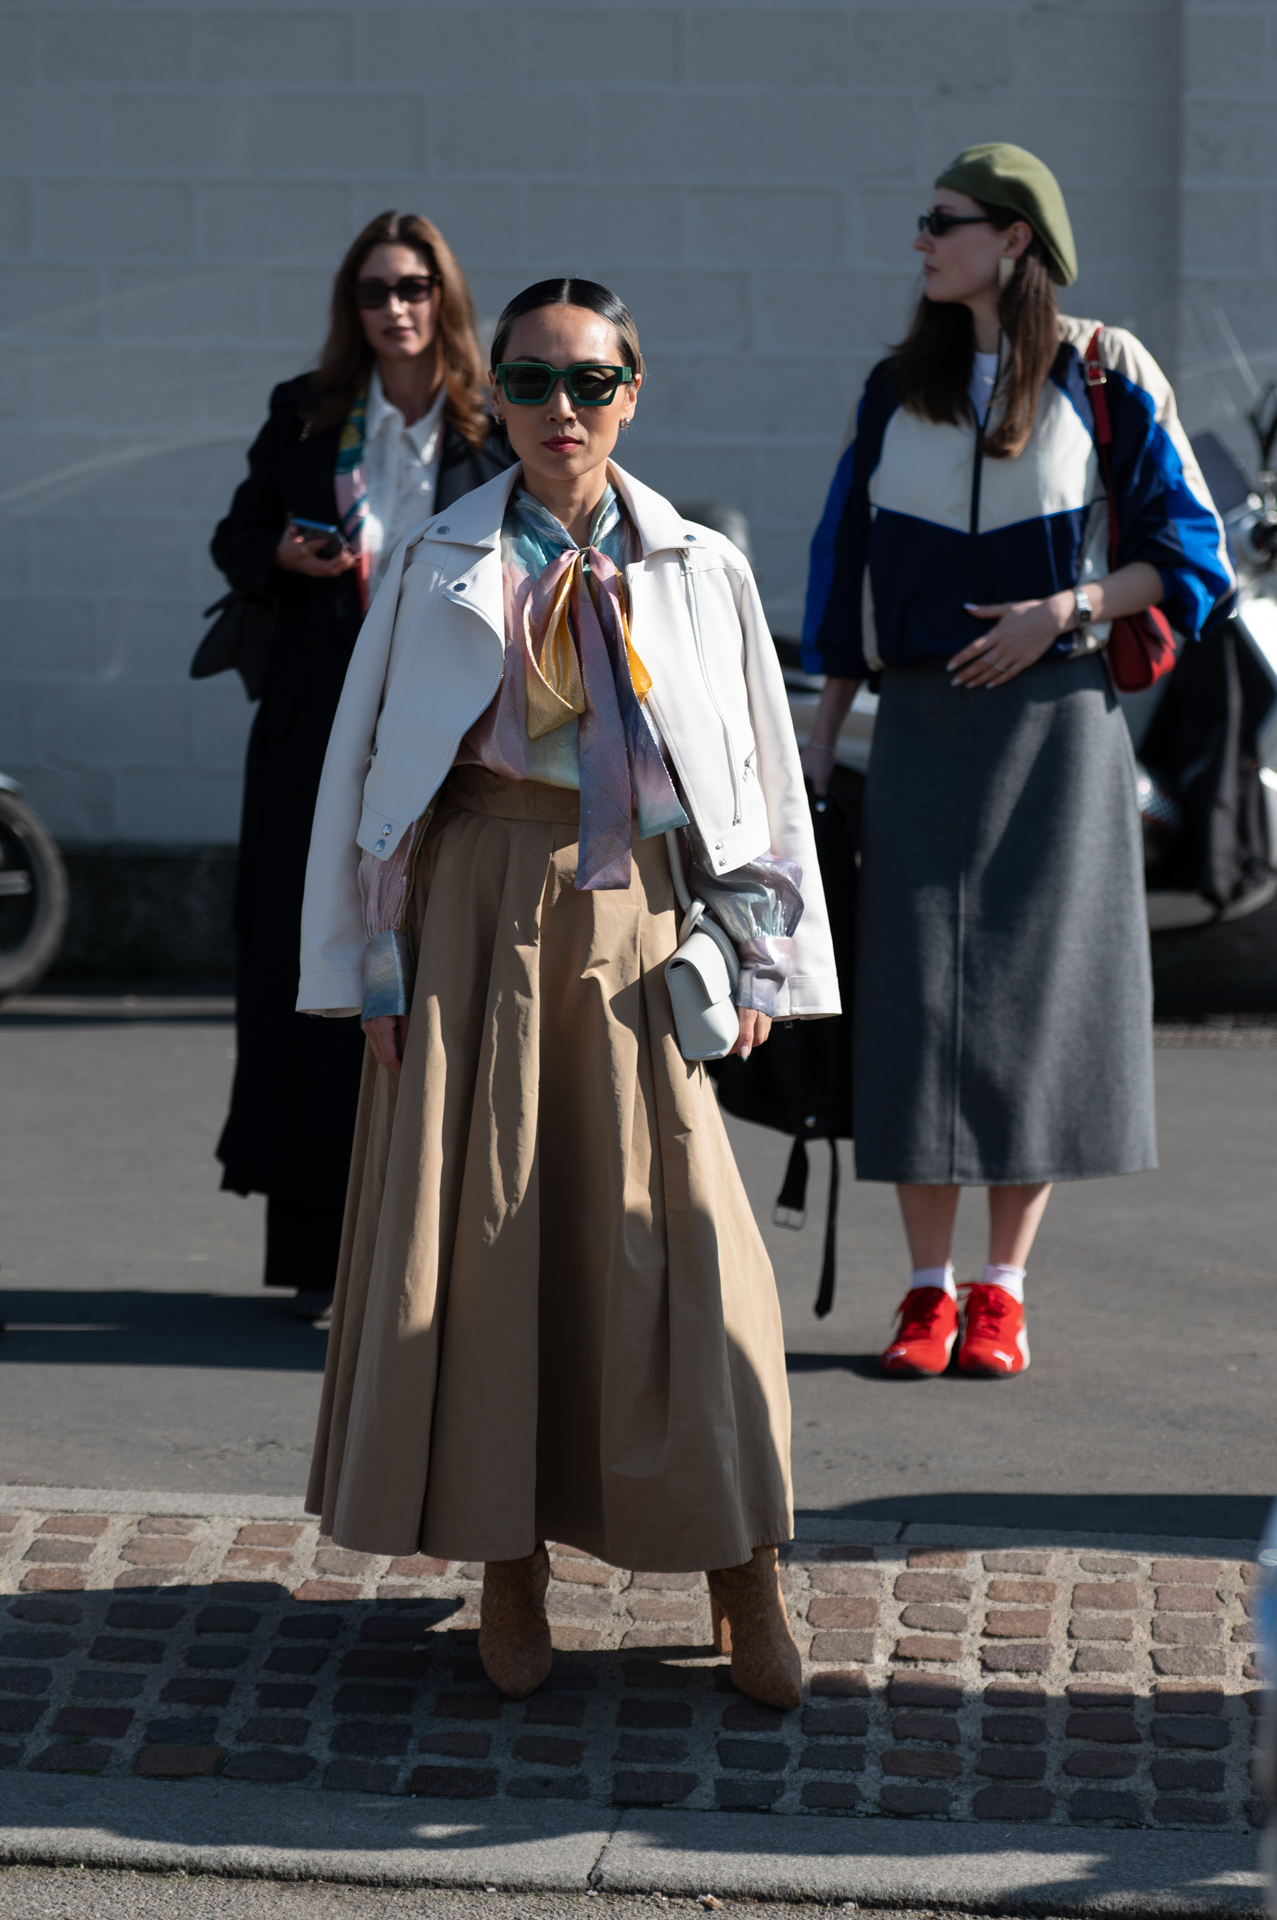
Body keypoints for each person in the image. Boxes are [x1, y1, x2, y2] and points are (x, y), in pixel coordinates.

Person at [297, 278, 839, 1706]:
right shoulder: (433, 558)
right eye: (530, 384)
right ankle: (508, 1561)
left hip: (643, 924)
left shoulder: (698, 566)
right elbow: (367, 779)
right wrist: (368, 966)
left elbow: (762, 786)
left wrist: (758, 948)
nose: (558, 411)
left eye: (588, 385)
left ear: (631, 394)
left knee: (689, 1256)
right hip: (472, 912)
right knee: (489, 1250)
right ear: (505, 400)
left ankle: (744, 1569)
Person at [800, 144, 1232, 1380]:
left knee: (1038, 1007)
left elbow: (1189, 553)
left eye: (943, 222)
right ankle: (924, 1294)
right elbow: (843, 574)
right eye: (922, 217)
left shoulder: (1104, 371)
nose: (921, 240)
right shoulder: (894, 388)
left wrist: (1069, 609)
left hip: (1058, 723)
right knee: (915, 1005)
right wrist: (822, 743)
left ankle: (1002, 1291)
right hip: (922, 729)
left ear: (1016, 241)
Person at [210, 211, 513, 1321]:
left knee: (430, 981)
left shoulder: (490, 425)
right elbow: (235, 536)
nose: (395, 307)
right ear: (353, 307)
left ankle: (430, 1248)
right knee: (315, 980)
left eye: (415, 286)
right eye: (375, 289)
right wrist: (282, 553)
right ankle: (321, 1257)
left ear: (445, 299)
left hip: (444, 745)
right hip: (308, 738)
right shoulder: (309, 412)